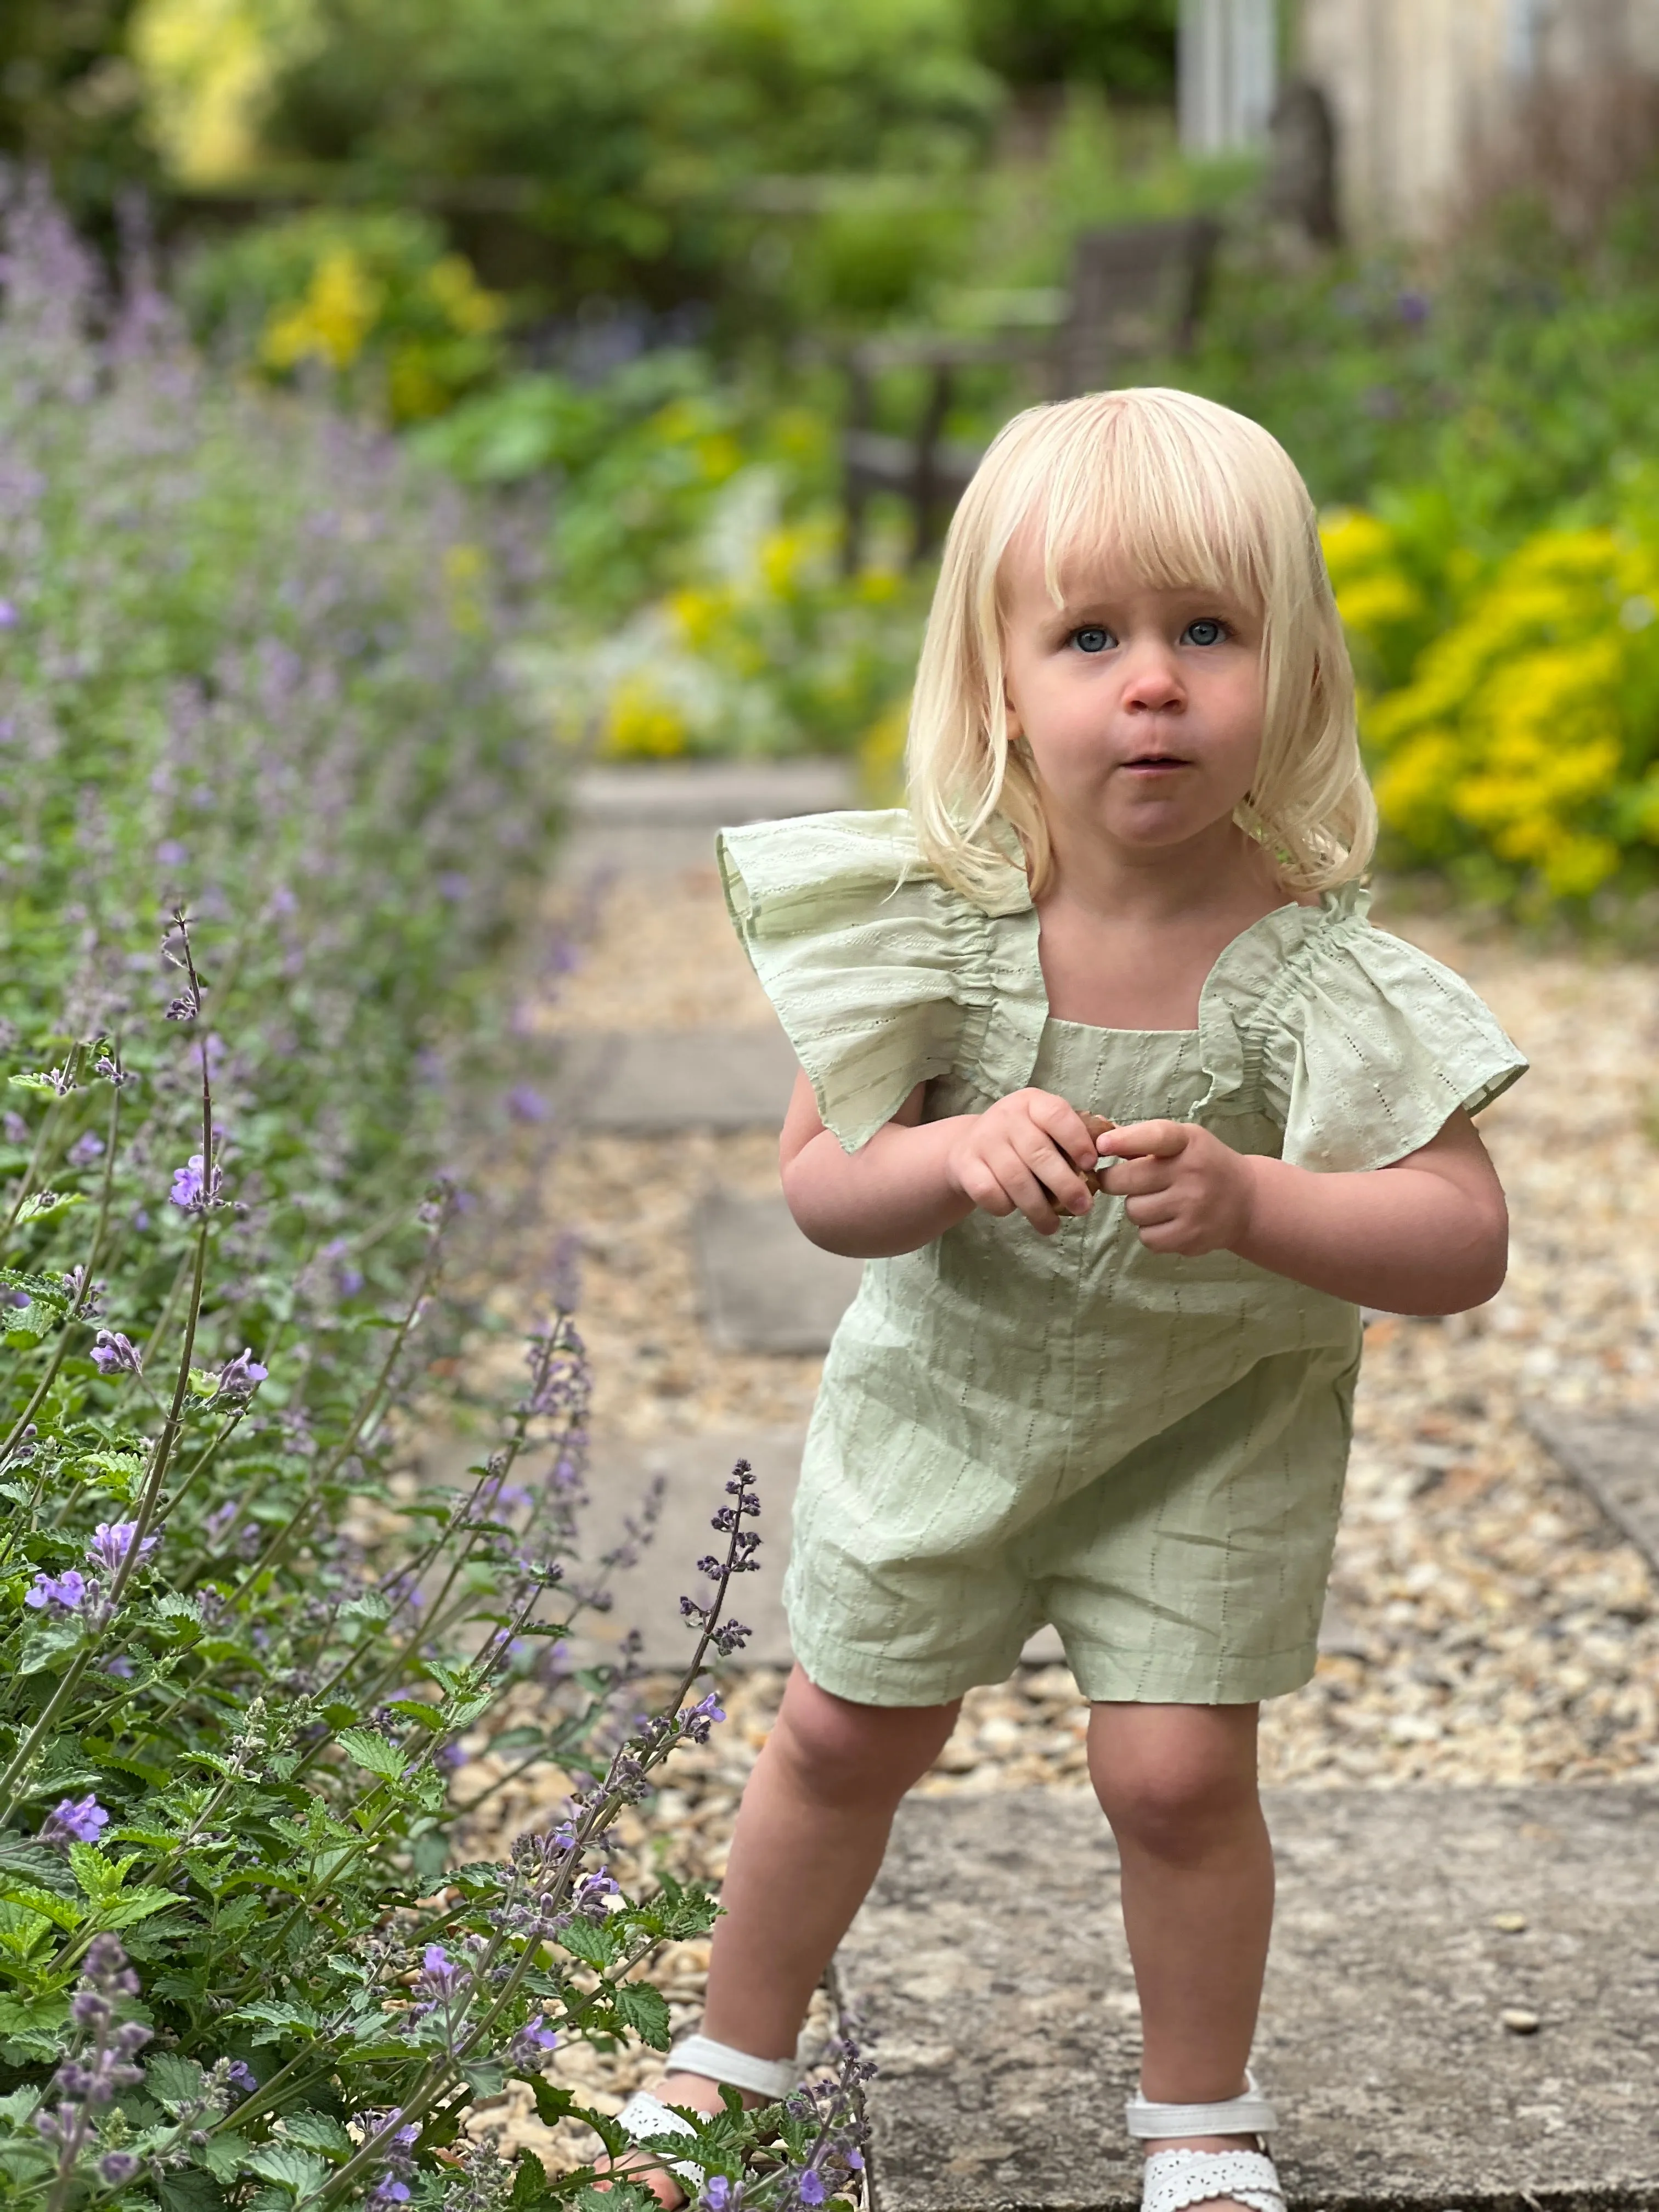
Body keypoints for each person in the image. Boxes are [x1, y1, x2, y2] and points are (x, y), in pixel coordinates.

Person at [613, 387, 1526, 2212]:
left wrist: (1264, 1197)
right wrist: (946, 1159)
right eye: (1092, 637)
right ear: (1000, 677)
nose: (1156, 684)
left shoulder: (1310, 965)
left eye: (1210, 632)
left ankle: (1197, 2123)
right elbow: (821, 1190)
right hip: (949, 1405)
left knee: (1178, 1779)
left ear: (1295, 666)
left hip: (1205, 1438)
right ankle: (732, 2049)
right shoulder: (934, 921)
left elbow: (1460, 1240)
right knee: (841, 1730)